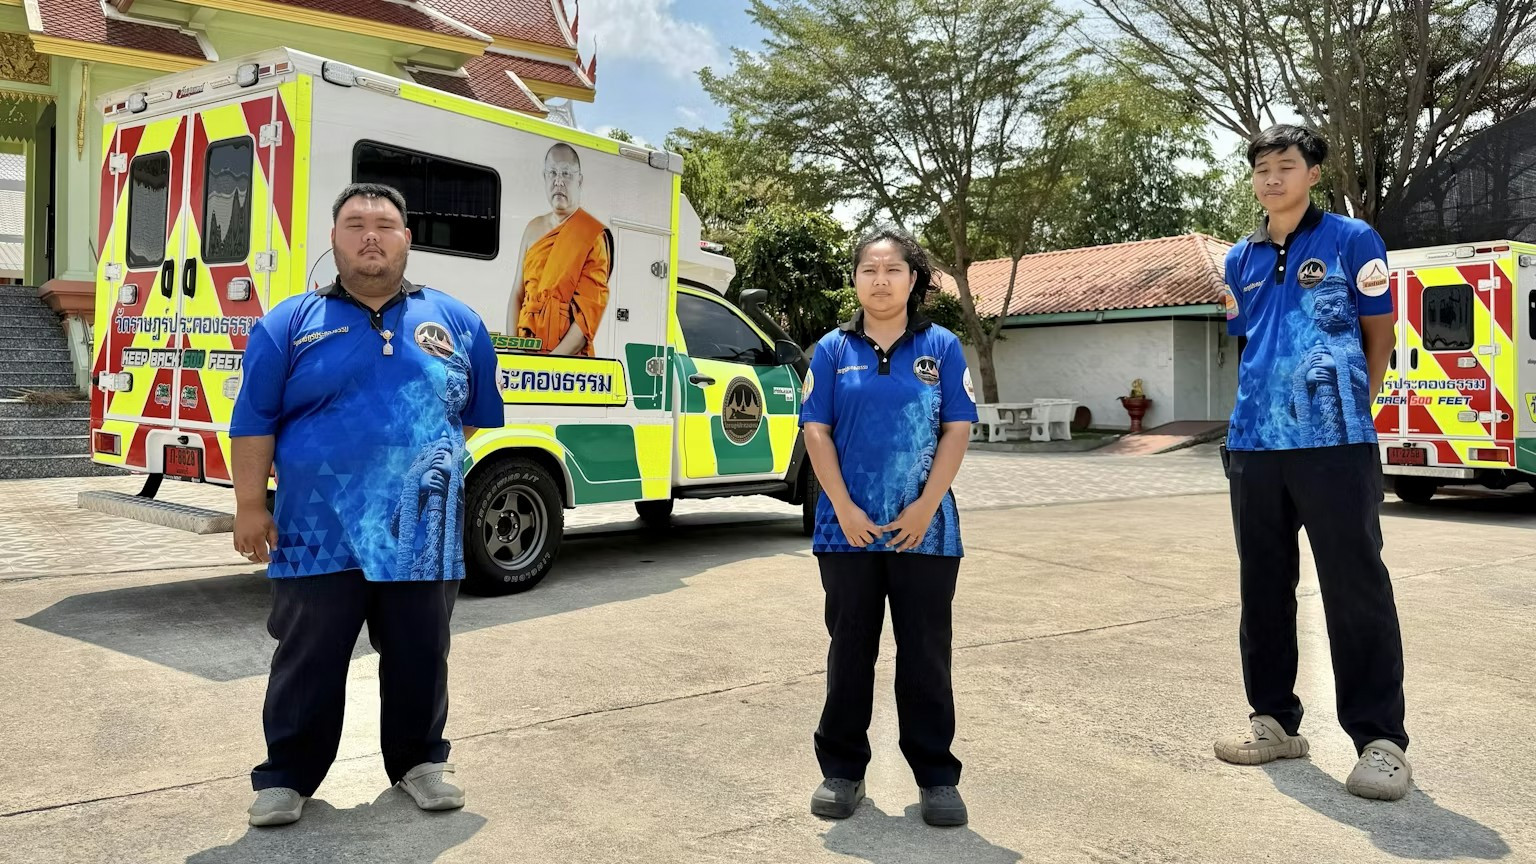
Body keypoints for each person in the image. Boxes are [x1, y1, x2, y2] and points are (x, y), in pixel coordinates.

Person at [230, 183, 505, 826]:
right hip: (315, 529)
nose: (371, 236)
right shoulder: (288, 324)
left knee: (420, 651)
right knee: (308, 656)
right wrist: (249, 506)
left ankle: (421, 762)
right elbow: (253, 422)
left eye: (386, 223)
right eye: (355, 224)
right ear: (334, 239)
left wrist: (419, 467)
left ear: (408, 238)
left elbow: (469, 418)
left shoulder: (457, 321)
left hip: (422, 531)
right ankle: (287, 777)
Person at [1217, 125, 1411, 800]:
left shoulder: (1353, 241)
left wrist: (1358, 408)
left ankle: (1381, 740)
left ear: (1312, 175)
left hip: (1335, 443)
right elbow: (1252, 341)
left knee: (1354, 587)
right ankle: (1274, 720)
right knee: (1262, 587)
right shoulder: (1238, 257)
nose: (1272, 179)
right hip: (1255, 446)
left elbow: (1379, 332)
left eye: (1286, 166)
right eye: (1262, 169)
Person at [799, 227, 979, 827]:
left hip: (926, 531)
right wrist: (844, 508)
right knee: (850, 649)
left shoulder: (944, 347)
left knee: (926, 653)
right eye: (869, 270)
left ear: (913, 279)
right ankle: (842, 770)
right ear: (855, 279)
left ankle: (935, 777)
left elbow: (957, 426)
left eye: (893, 270)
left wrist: (927, 506)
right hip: (844, 531)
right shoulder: (830, 350)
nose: (881, 280)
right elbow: (815, 430)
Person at [505, 143, 612, 356]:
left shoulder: (592, 236)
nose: (559, 181)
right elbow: (518, 294)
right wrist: (513, 350)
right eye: (553, 173)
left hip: (566, 365)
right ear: (544, 177)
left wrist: (548, 367)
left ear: (579, 181)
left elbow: (585, 321)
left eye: (566, 173)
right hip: (524, 354)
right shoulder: (533, 228)